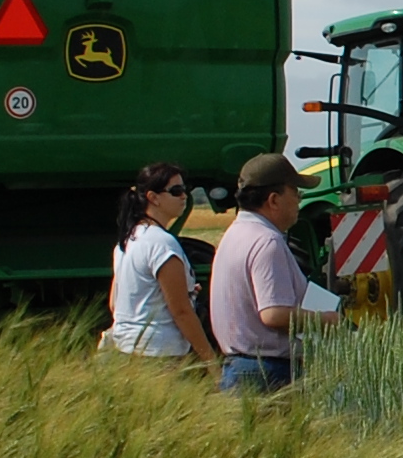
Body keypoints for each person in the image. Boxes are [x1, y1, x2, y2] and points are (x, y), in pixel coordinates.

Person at [208, 151, 326, 391]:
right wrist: (328, 319)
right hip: (267, 373)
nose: (299, 201)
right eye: (296, 193)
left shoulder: (234, 234)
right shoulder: (267, 242)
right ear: (273, 200)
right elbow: (273, 314)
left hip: (240, 366)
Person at [105, 162, 216, 361]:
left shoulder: (127, 240)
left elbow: (115, 303)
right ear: (153, 197)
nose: (184, 196)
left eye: (185, 190)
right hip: (160, 353)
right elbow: (181, 312)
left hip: (126, 349)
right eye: (176, 191)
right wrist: (211, 361)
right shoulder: (162, 244)